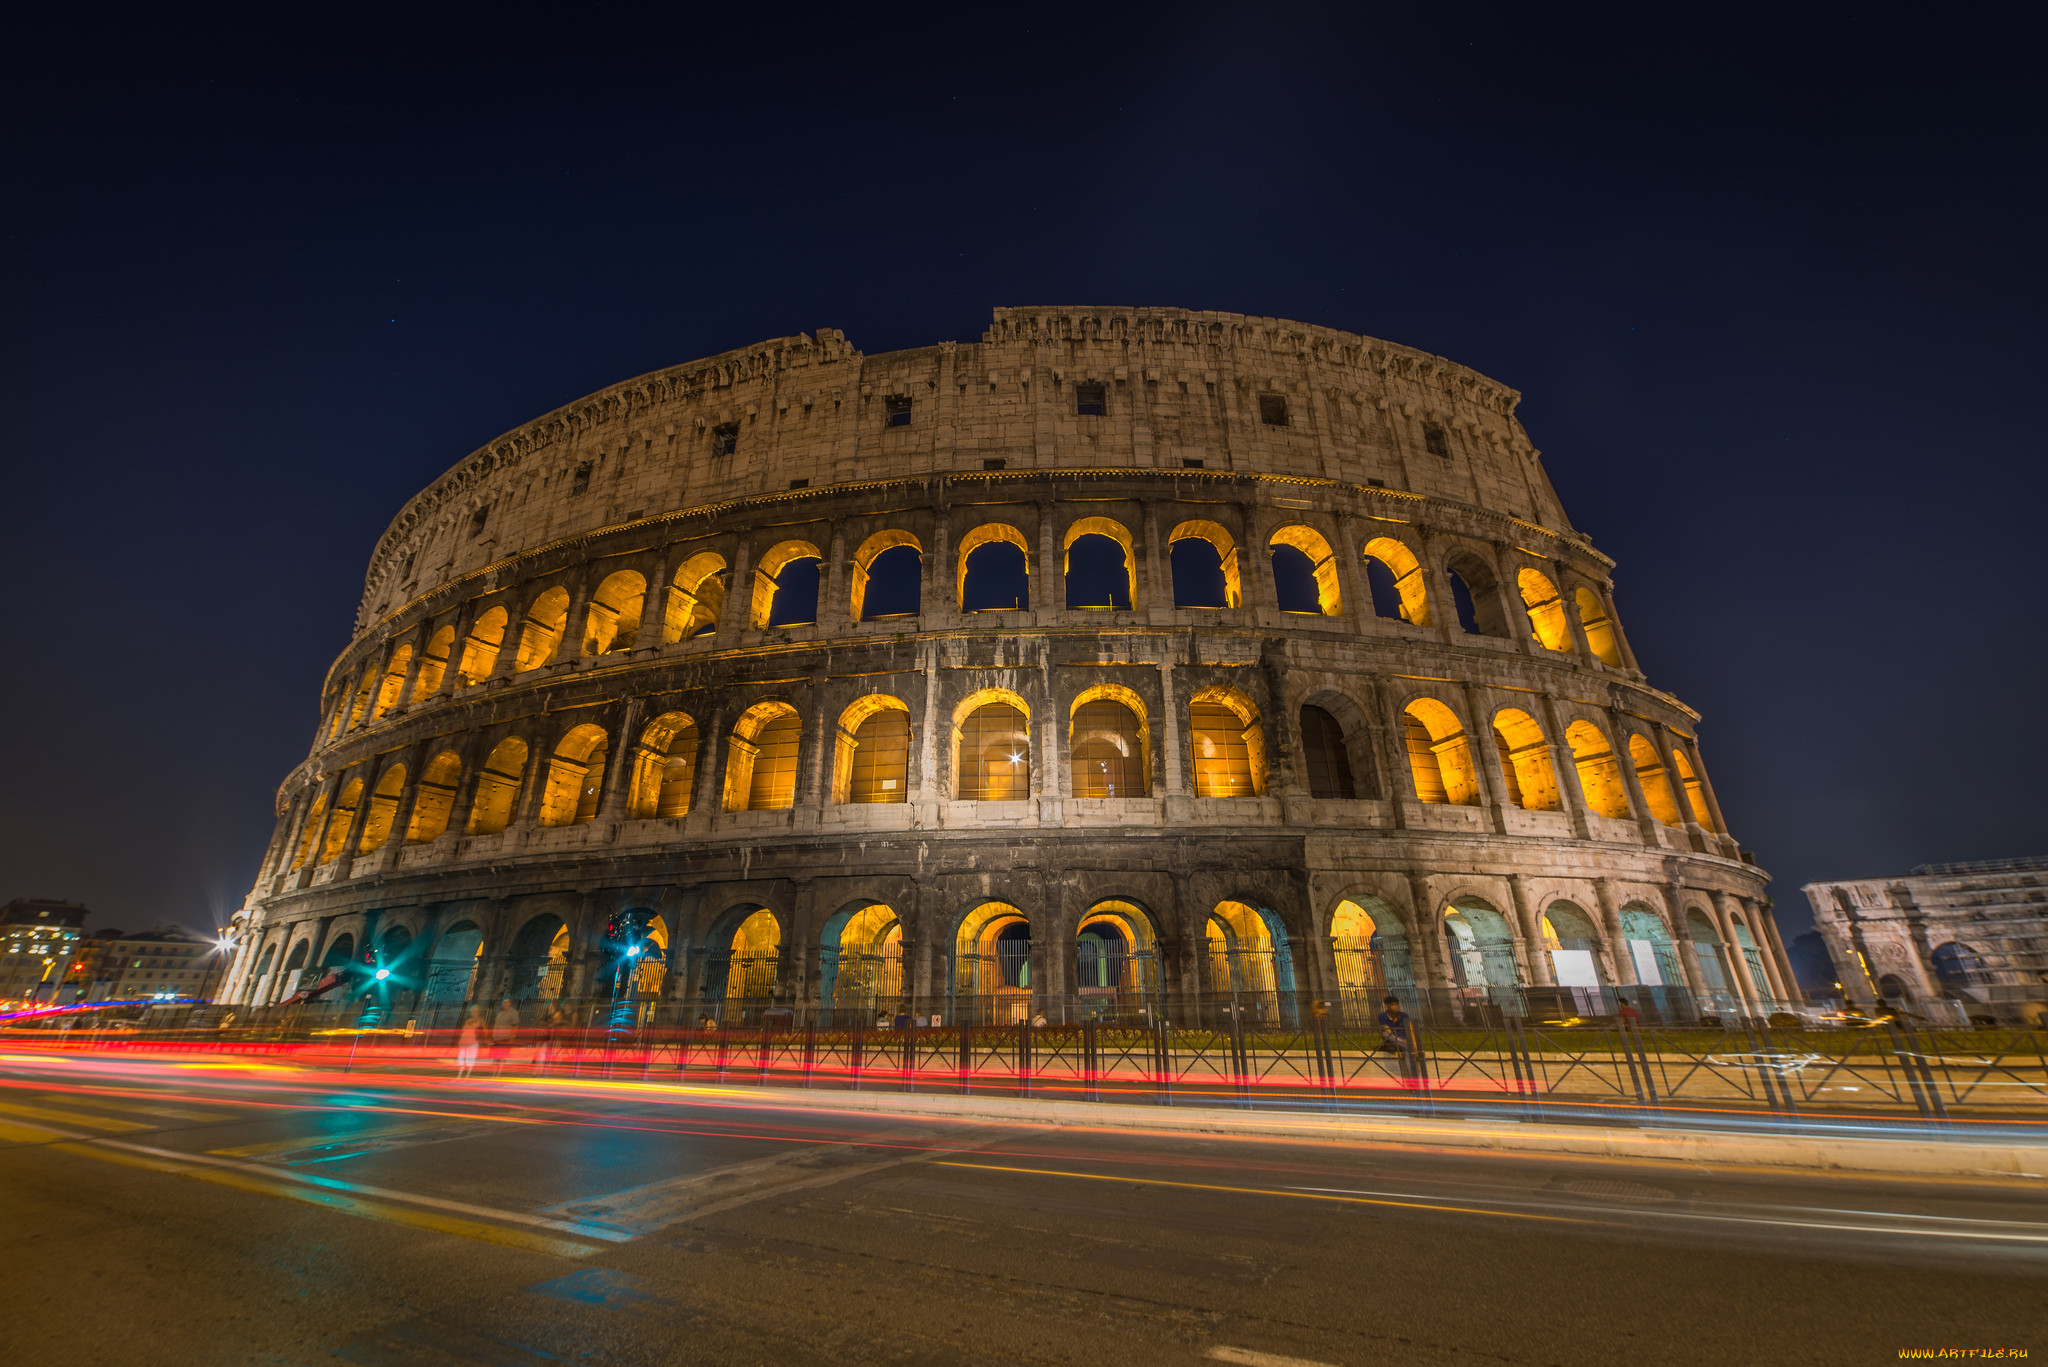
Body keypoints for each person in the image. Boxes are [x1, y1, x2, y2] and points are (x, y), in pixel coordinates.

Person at [492, 998, 520, 1072]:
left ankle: (500, 1072)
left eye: (506, 1003)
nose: (505, 1004)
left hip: (506, 1038)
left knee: (502, 1056)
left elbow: (516, 1025)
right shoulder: (500, 1013)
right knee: (496, 1056)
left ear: (510, 1004)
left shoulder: (513, 1012)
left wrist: (513, 1037)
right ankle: (495, 1072)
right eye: (503, 1003)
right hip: (497, 1038)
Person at [455, 1007, 481, 1079]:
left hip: (473, 1042)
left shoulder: (480, 1020)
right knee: (461, 1057)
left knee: (470, 1058)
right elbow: (464, 1031)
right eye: (472, 1011)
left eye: (476, 1011)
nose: (473, 1013)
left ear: (478, 1012)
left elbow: (482, 1030)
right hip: (464, 1041)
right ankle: (459, 1075)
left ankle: (467, 1075)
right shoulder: (468, 1021)